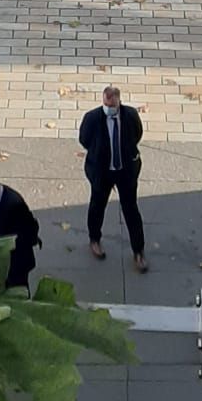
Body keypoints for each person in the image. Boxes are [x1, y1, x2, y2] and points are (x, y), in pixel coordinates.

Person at [78, 85, 148, 271]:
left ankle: (138, 250)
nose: (110, 108)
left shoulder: (130, 115)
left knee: (131, 210)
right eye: (107, 105)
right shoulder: (92, 118)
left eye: (113, 105)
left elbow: (137, 134)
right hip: (102, 172)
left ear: (119, 102)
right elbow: (84, 140)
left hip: (125, 171)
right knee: (97, 206)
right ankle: (94, 239)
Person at [0, 170, 40, 292]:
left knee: (18, 289)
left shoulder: (14, 203)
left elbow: (28, 230)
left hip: (17, 260)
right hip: (4, 257)